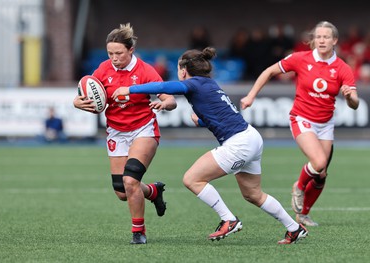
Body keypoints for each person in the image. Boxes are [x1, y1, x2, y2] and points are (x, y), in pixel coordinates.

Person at [112, 47, 308, 244]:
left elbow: (168, 87)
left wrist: (130, 89)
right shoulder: (209, 83)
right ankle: (294, 228)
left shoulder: (193, 83)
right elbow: (223, 116)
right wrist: (202, 120)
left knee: (192, 179)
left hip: (239, 142)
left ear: (183, 70)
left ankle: (228, 219)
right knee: (253, 194)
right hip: (250, 137)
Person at [240, 21, 360, 227]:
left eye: (326, 37)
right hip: (302, 119)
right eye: (318, 37)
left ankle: (303, 214)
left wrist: (350, 97)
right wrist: (251, 96)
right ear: (314, 40)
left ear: (335, 41)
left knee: (321, 175)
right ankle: (299, 186)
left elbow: (355, 104)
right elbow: (269, 72)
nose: (322, 40)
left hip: (326, 123)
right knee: (319, 163)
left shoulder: (342, 68)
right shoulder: (300, 59)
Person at [73, 23, 177, 244]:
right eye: (110, 53)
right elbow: (86, 91)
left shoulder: (146, 71)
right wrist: (77, 102)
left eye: (118, 53)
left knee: (130, 181)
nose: (114, 58)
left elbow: (170, 99)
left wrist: (164, 103)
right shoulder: (103, 69)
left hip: (143, 129)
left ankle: (138, 232)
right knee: (122, 192)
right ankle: (153, 192)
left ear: (131, 50)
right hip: (116, 132)